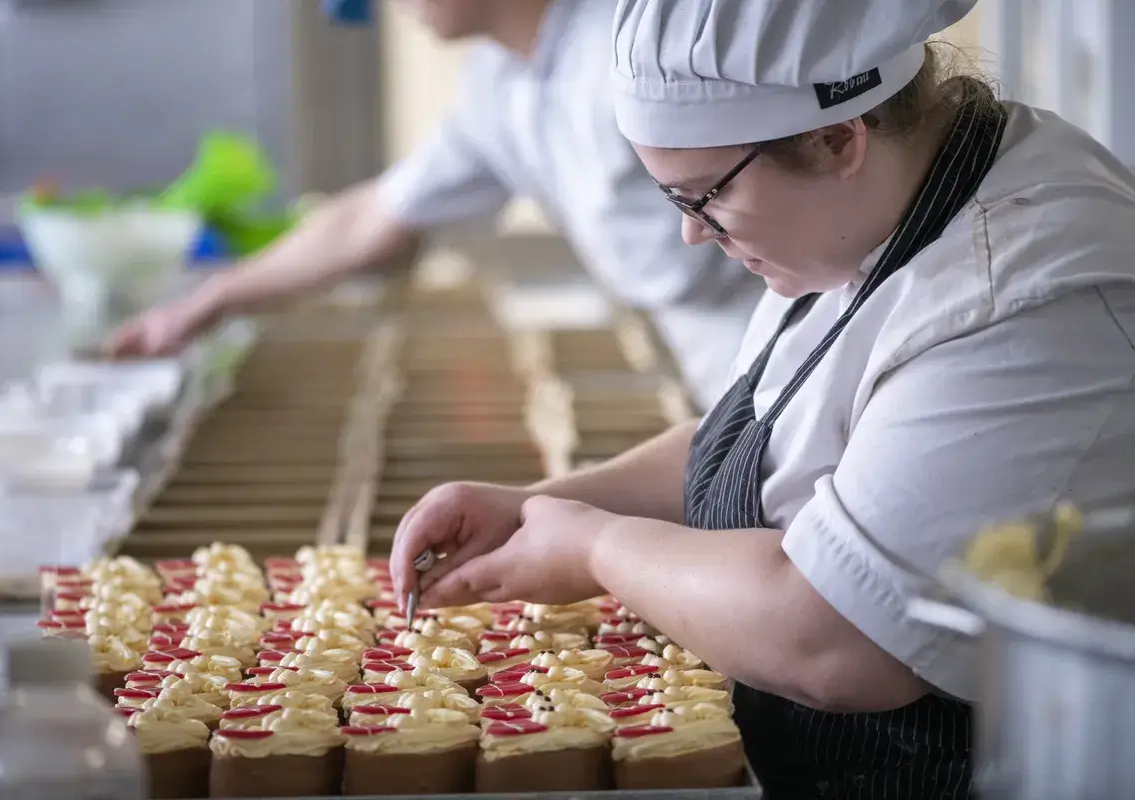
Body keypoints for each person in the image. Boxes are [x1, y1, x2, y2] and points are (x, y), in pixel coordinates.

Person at [389, 0, 1135, 796]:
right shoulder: (867, 209)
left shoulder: (1019, 296)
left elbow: (836, 639)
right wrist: (539, 506)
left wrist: (594, 546)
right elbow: (762, 438)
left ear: (837, 138)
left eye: (703, 198)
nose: (692, 235)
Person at [110, 0, 764, 407]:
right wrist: (213, 300)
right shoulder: (499, 83)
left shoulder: (632, 43)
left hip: (788, 341)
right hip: (712, 368)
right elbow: (374, 215)